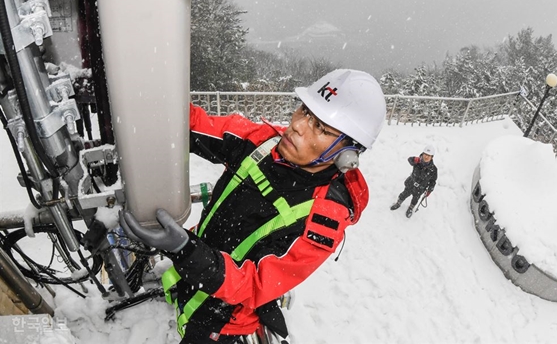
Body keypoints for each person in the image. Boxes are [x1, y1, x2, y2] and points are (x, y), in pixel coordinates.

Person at [119, 69, 386, 343]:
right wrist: (146, 99)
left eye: (320, 127)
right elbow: (194, 124)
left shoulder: (322, 219)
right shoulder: (262, 142)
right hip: (195, 265)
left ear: (346, 154)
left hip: (224, 317)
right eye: (304, 111)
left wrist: (185, 249)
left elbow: (256, 284)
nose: (298, 125)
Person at [390, 145, 438, 218]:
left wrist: (429, 190)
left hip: (420, 188)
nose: (426, 157)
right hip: (411, 183)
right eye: (425, 154)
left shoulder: (433, 169)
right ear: (422, 154)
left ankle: (410, 208)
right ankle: (398, 203)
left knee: (415, 199)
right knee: (403, 194)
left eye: (429, 155)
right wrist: (415, 159)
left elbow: (433, 181)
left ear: (432, 157)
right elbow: (409, 159)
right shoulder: (418, 161)